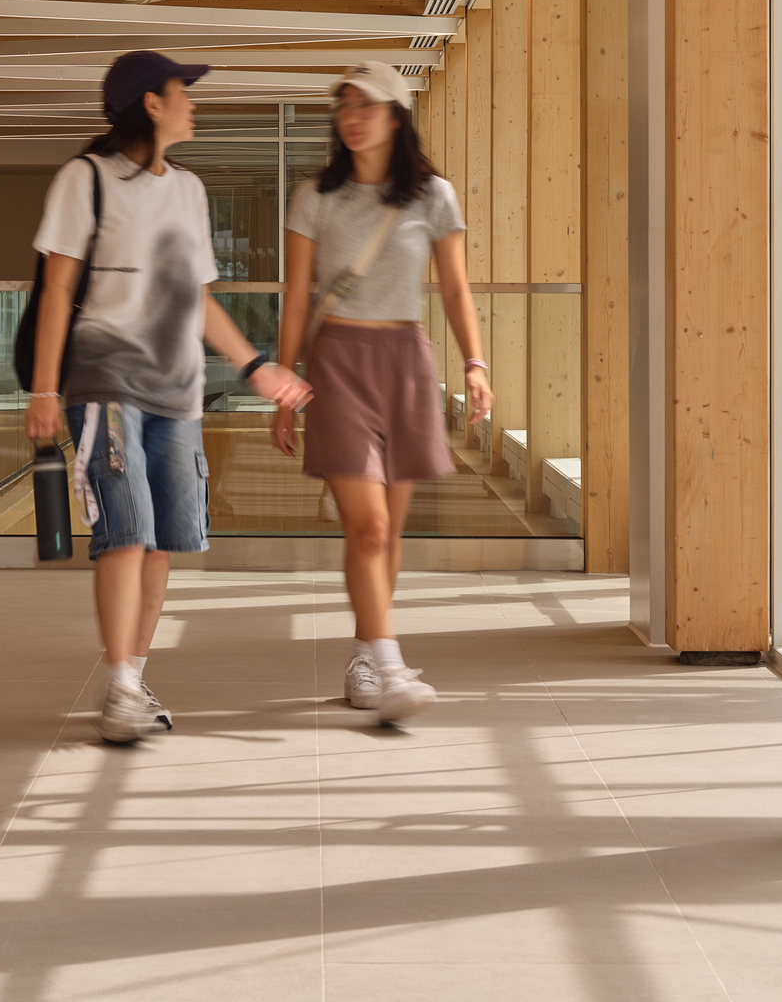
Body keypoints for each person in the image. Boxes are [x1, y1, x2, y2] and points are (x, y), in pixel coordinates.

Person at [26, 50, 311, 744]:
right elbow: (58, 287)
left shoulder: (189, 189)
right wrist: (44, 385)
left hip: (179, 392)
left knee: (162, 544)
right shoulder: (85, 179)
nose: (193, 101)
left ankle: (134, 675)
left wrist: (256, 368)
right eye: (183, 90)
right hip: (105, 380)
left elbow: (199, 299)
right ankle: (119, 686)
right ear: (151, 103)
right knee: (125, 532)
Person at [272, 61, 493, 724]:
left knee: (389, 530)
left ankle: (368, 653)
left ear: (397, 116)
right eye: (344, 105)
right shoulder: (315, 195)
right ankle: (390, 665)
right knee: (365, 525)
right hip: (337, 359)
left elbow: (455, 288)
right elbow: (297, 297)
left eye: (367, 105)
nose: (352, 116)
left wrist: (475, 362)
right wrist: (285, 384)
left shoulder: (433, 195)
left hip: (406, 360)